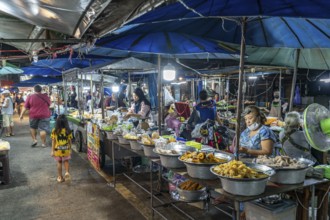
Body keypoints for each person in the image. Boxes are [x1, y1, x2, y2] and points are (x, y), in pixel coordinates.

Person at [51, 114, 73, 183]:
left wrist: (52, 150)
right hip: (66, 149)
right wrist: (70, 149)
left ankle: (60, 177)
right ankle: (66, 172)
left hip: (58, 150)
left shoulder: (55, 131)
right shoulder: (68, 131)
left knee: (59, 162)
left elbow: (53, 141)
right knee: (66, 161)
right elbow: (70, 141)